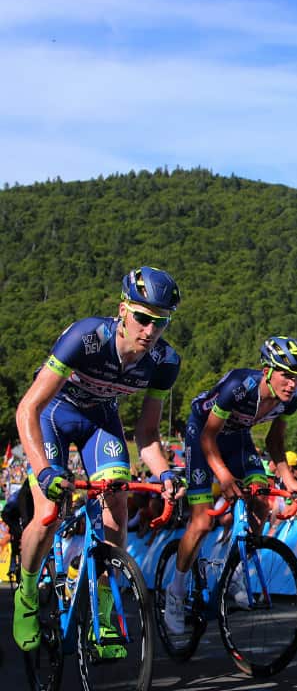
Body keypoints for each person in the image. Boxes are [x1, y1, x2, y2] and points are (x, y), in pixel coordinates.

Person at [12, 267, 184, 652]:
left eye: (161, 322)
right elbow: (27, 408)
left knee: (116, 508)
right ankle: (25, 593)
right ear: (123, 310)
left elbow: (147, 434)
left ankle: (104, 610)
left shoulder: (165, 361)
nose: (150, 330)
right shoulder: (87, 337)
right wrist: (42, 470)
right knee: (48, 512)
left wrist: (166, 474)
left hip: (101, 421)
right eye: (142, 318)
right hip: (53, 414)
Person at [164, 336, 297, 636]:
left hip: (238, 439)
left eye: (296, 377)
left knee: (260, 498)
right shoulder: (239, 385)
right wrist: (224, 476)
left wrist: (291, 480)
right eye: (285, 374)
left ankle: (237, 570)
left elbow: (274, 442)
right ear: (267, 371)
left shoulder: (291, 399)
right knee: (203, 522)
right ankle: (175, 591)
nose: (292, 384)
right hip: (202, 434)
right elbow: (207, 437)